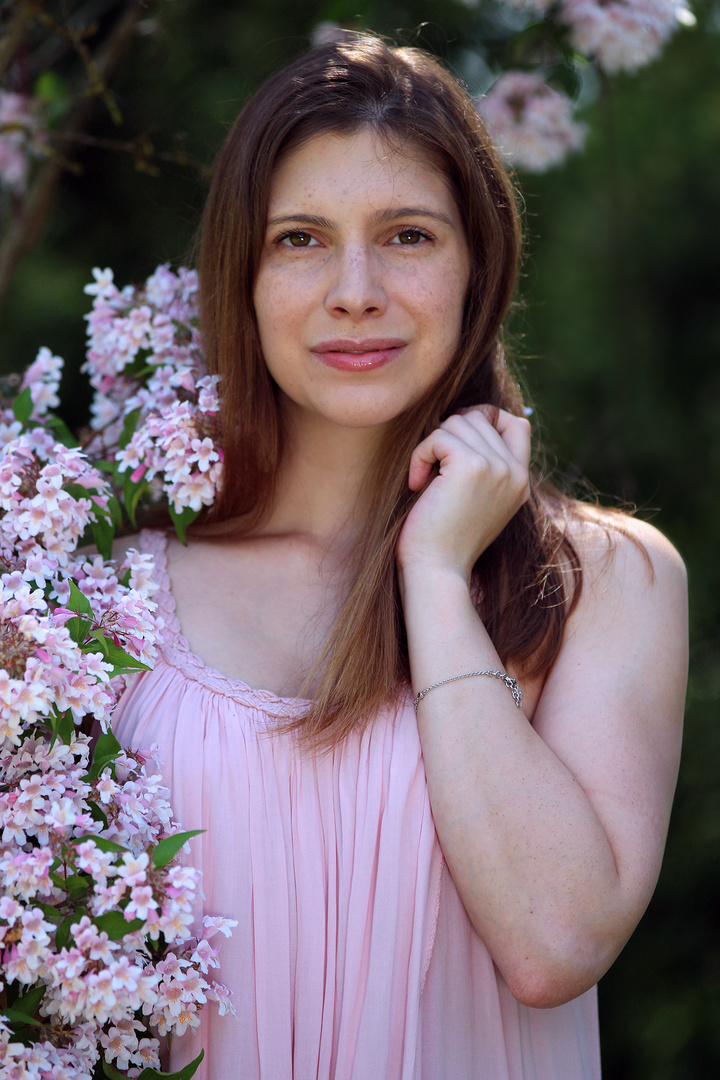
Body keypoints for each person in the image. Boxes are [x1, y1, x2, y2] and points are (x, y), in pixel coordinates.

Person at [112, 31, 688, 1080]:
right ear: (239, 274)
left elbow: (555, 945)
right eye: (300, 239)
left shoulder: (609, 580)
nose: (355, 289)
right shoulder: (109, 592)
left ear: (480, 261)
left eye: (408, 235)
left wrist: (434, 573)